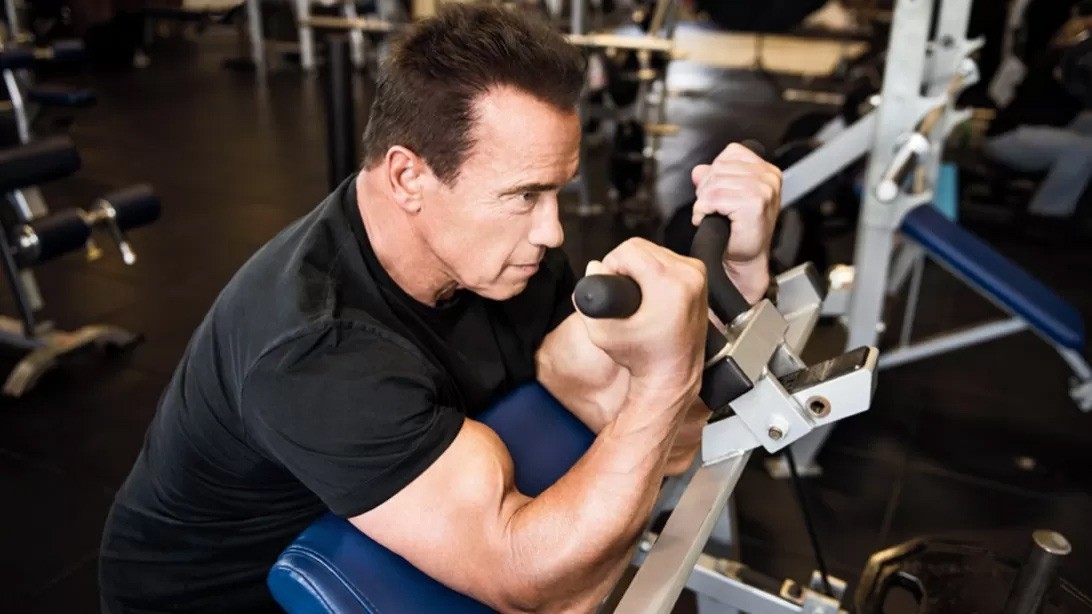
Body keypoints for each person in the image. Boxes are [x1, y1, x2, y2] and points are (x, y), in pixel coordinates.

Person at [98, 5, 781, 612]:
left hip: (382, 524)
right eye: (524, 195)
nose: (553, 232)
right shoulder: (315, 348)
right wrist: (661, 383)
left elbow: (652, 429)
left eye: (556, 192)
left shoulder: (506, 261)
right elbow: (539, 588)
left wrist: (738, 272)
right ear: (407, 177)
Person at [983, 1, 1092, 221]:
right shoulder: (1071, 58)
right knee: (1084, 149)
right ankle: (1046, 215)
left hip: (1036, 128)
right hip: (1009, 136)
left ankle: (1080, 205)